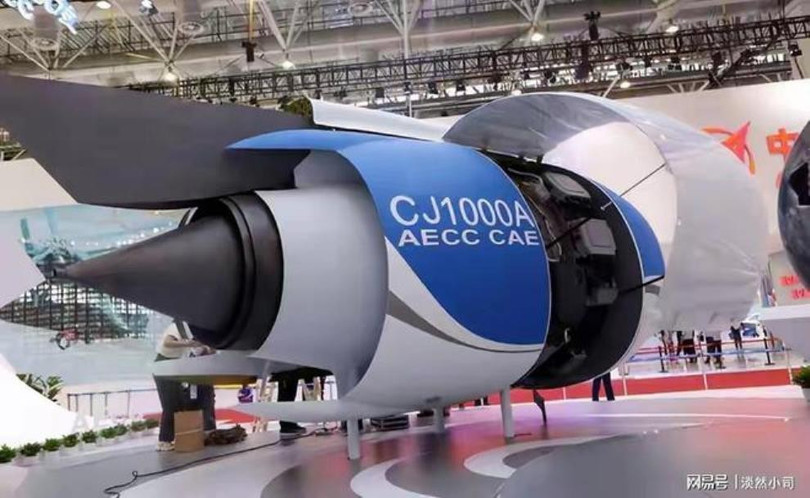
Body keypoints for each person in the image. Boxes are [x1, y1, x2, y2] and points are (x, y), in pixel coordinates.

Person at [153, 322, 202, 451]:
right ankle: (164, 440)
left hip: (173, 366)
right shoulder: (177, 327)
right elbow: (167, 343)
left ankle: (176, 437)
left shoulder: (188, 331)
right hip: (163, 366)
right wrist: (189, 344)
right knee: (170, 405)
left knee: (179, 403)